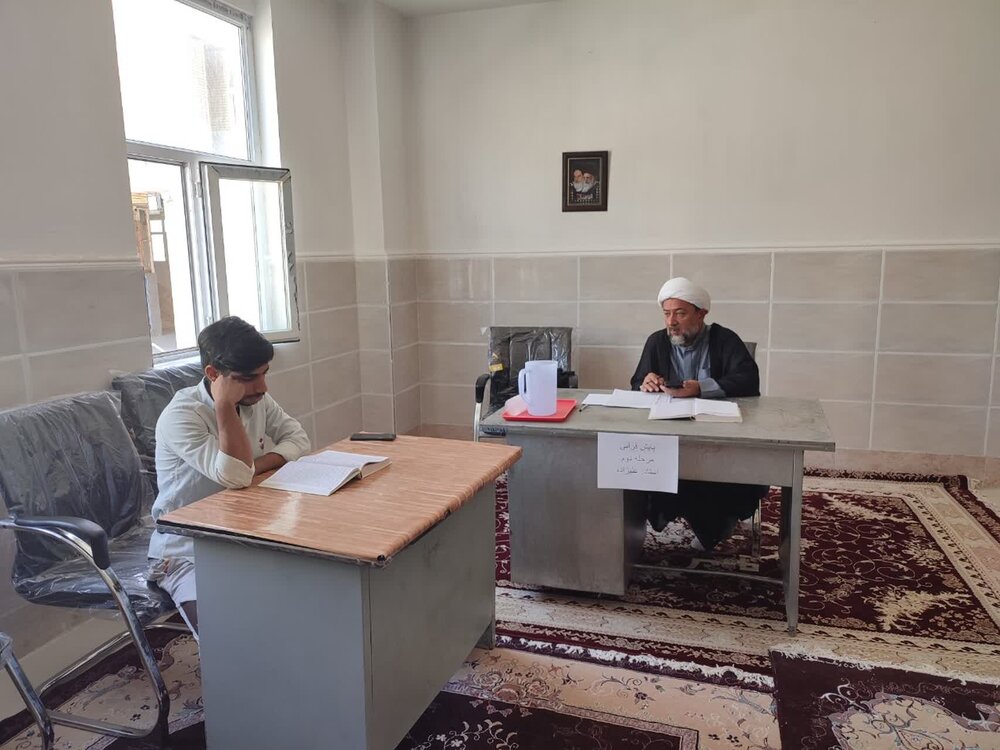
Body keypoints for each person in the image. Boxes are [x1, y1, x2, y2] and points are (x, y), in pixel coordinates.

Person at [146, 316, 311, 636]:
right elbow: (235, 476)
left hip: (244, 536)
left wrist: (255, 466)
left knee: (295, 613)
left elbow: (299, 440)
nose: (262, 387)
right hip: (187, 551)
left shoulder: (257, 400)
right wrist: (223, 405)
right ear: (213, 374)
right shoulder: (182, 416)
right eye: (248, 378)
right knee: (228, 640)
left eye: (264, 374)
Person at [629, 277, 765, 551]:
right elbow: (636, 382)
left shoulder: (724, 339)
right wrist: (647, 383)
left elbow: (749, 380)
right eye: (667, 313)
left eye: (680, 313)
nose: (671, 322)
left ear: (701, 313)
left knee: (711, 484)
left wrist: (700, 388)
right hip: (668, 440)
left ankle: (714, 524)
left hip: (718, 442)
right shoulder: (657, 341)